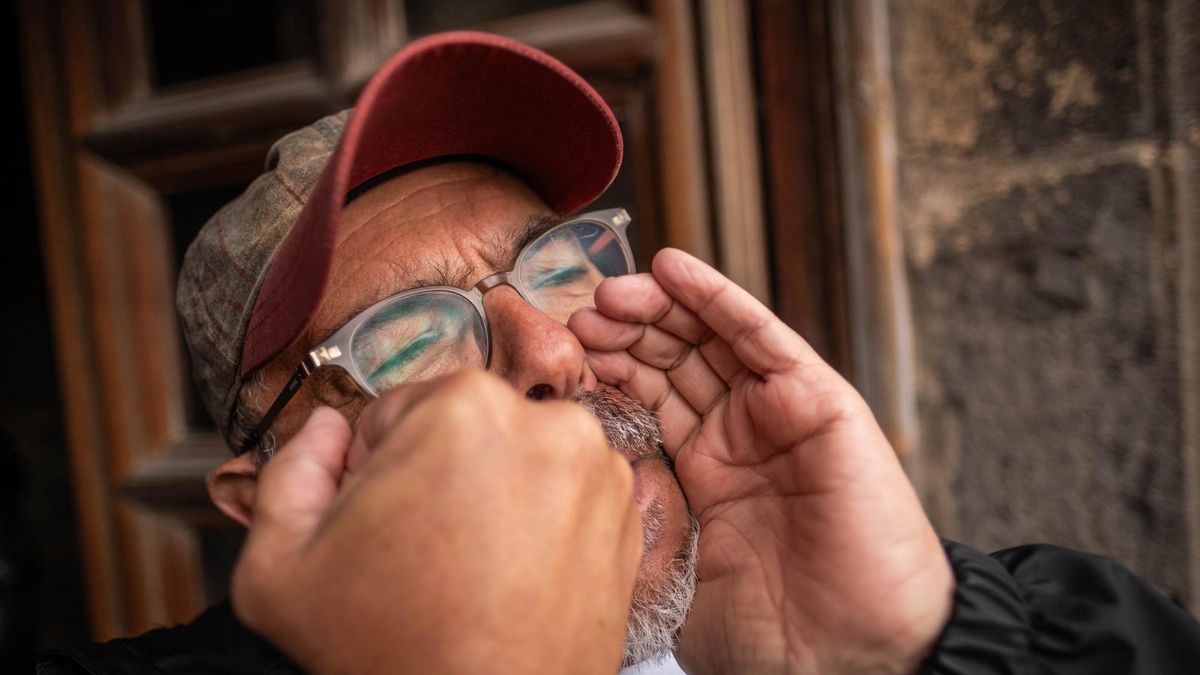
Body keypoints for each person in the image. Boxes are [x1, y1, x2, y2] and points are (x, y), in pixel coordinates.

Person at [40, 31, 1200, 675]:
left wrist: (915, 656)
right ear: (262, 497)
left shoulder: (1060, 627)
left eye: (558, 264)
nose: (550, 351)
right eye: (402, 341)